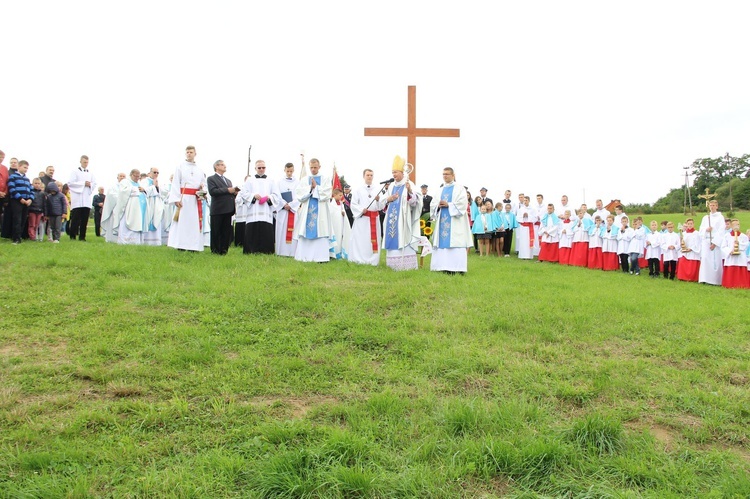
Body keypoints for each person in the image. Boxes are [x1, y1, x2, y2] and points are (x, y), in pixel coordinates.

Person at [382, 155, 421, 271]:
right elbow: (385, 201)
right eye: (392, 172)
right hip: (391, 218)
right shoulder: (391, 186)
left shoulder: (409, 184)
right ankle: (392, 265)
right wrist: (388, 199)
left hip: (404, 219)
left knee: (403, 237)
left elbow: (416, 203)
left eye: (396, 172)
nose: (394, 175)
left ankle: (406, 266)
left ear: (402, 172)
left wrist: (409, 191)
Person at [430, 167, 472, 273]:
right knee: (442, 243)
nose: (445, 176)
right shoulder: (440, 190)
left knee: (455, 243)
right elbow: (433, 204)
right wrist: (438, 206)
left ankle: (457, 268)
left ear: (453, 175)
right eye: (443, 174)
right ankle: (441, 267)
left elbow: (463, 204)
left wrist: (448, 204)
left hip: (455, 222)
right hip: (442, 220)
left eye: (447, 174)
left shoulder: (460, 188)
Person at [167, 145, 207, 252]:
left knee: (194, 223)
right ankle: (181, 245)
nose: (189, 154)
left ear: (195, 154)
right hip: (184, 198)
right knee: (183, 223)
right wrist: (176, 199)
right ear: (185, 154)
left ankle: (193, 246)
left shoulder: (199, 169)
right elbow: (175, 183)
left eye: (191, 152)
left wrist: (203, 191)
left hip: (195, 199)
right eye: (187, 152)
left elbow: (203, 183)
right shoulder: (180, 167)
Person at [294, 158, 333, 262]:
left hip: (321, 211)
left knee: (320, 230)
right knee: (305, 230)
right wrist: (310, 189)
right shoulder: (304, 179)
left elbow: (328, 193)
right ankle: (303, 256)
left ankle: (321, 257)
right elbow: (299, 193)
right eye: (311, 167)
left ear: (319, 167)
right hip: (307, 209)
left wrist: (317, 188)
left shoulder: (325, 179)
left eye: (315, 167)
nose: (313, 169)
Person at [241, 159, 279, 254]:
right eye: (259, 168)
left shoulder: (271, 181)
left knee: (266, 230)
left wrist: (268, 197)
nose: (261, 169)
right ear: (255, 168)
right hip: (253, 210)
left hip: (266, 210)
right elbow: (243, 193)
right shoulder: (250, 180)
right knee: (252, 229)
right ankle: (250, 250)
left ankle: (267, 251)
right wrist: (253, 196)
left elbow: (276, 195)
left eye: (263, 167)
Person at [349, 169, 385, 265]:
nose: (369, 177)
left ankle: (373, 260)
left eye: (371, 175)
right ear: (363, 176)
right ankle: (359, 259)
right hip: (363, 220)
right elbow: (353, 204)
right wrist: (361, 210)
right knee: (362, 240)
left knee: (372, 241)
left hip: (374, 219)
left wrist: (378, 200)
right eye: (367, 175)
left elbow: (381, 206)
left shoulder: (378, 190)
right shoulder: (358, 190)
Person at [207, 160, 239, 255]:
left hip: (228, 209)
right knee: (216, 231)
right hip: (218, 209)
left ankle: (224, 250)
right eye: (222, 164)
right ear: (216, 166)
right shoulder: (211, 179)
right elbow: (213, 191)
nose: (225, 166)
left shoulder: (228, 180)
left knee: (226, 231)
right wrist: (228, 190)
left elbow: (229, 194)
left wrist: (234, 193)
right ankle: (215, 250)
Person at [111, 169, 149, 245]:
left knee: (138, 222)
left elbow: (144, 192)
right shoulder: (125, 182)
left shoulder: (139, 183)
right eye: (135, 176)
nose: (137, 178)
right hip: (129, 208)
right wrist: (135, 189)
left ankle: (137, 241)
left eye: (138, 176)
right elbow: (123, 192)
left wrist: (143, 190)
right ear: (131, 175)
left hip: (139, 208)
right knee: (128, 223)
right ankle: (125, 241)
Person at [67, 154, 96, 241]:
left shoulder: (90, 173)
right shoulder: (75, 172)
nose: (85, 164)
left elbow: (94, 183)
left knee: (84, 220)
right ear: (80, 161)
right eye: (84, 162)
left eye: (87, 162)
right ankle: (72, 236)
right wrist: (83, 183)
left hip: (86, 199)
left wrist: (90, 184)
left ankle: (82, 237)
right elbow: (71, 183)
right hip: (78, 199)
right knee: (75, 219)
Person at [273, 163, 299, 257]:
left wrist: (291, 205)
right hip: (283, 210)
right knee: (281, 229)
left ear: (293, 170)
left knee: (294, 230)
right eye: (287, 171)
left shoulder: (297, 182)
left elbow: (299, 195)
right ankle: (281, 251)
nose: (289, 173)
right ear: (284, 170)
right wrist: (284, 204)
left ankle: (293, 252)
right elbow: (277, 195)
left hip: (292, 210)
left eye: (291, 171)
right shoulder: (279, 182)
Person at [698, 199, 725, 285]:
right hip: (706, 240)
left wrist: (715, 243)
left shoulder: (720, 217)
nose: (712, 207)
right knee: (705, 259)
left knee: (715, 261)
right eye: (711, 205)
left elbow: (721, 231)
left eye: (714, 205)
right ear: (709, 206)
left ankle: (715, 280)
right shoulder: (706, 218)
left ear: (717, 206)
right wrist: (706, 229)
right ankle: (705, 278)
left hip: (715, 241)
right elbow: (701, 229)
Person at [8, 160, 35, 244]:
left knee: (23, 220)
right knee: (17, 219)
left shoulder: (27, 179)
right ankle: (15, 238)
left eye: (27, 168)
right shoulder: (13, 177)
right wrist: (20, 199)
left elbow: (32, 190)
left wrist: (30, 199)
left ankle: (19, 236)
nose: (26, 169)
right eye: (24, 167)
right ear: (19, 166)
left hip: (27, 201)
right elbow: (12, 189)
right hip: (17, 201)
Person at [720, 219, 749, 288]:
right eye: (735, 225)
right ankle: (729, 284)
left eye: (738, 224)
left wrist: (739, 244)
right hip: (731, 257)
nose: (736, 226)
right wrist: (730, 251)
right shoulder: (727, 236)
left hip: (740, 257)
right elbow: (723, 246)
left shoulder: (744, 236)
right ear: (732, 226)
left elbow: (746, 245)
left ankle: (741, 284)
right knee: (731, 270)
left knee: (740, 270)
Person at [100, 173, 126, 242]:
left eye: (124, 176)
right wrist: (121, 199)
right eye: (121, 176)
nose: (122, 177)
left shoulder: (127, 187)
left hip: (124, 209)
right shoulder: (113, 187)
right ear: (117, 177)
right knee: (112, 223)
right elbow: (111, 195)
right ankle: (112, 239)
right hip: (114, 209)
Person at [329, 188, 351, 259]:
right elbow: (330, 214)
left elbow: (342, 211)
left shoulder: (341, 204)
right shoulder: (330, 205)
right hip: (333, 224)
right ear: (334, 195)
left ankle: (338, 252)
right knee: (334, 236)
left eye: (342, 195)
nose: (341, 197)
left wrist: (343, 213)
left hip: (340, 224)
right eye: (340, 195)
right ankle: (332, 253)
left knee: (339, 237)